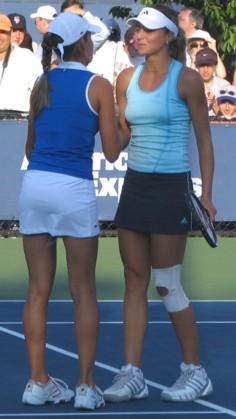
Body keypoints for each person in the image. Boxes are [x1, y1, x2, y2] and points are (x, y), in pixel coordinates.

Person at [103, 5, 216, 404]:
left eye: (147, 30)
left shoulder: (186, 80)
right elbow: (118, 144)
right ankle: (132, 373)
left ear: (168, 35)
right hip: (134, 187)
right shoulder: (124, 79)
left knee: (167, 284)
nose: (138, 35)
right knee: (134, 279)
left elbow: (204, 139)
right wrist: (103, 121)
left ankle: (195, 371)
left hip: (171, 189)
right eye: (135, 29)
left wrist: (206, 195)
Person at [18, 11, 121, 410]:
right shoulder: (99, 85)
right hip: (73, 190)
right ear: (82, 44)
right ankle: (85, 387)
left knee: (37, 291)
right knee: (84, 292)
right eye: (90, 40)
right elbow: (112, 152)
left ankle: (37, 382)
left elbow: (29, 148)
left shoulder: (42, 83)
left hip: (35, 187)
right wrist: (123, 125)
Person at [0, 14, 42, 112]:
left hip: (18, 122)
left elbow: (41, 95)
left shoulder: (27, 58)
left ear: (10, 33)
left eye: (3, 32)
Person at [88, 26, 144, 94]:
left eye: (139, 52)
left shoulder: (147, 59)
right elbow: (92, 71)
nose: (136, 54)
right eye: (132, 51)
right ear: (124, 44)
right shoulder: (109, 49)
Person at [195, 48, 231, 116]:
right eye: (202, 66)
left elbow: (227, 117)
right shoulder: (189, 86)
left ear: (215, 66)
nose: (205, 70)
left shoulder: (224, 86)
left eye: (209, 65)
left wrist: (214, 103)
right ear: (197, 66)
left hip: (218, 125)